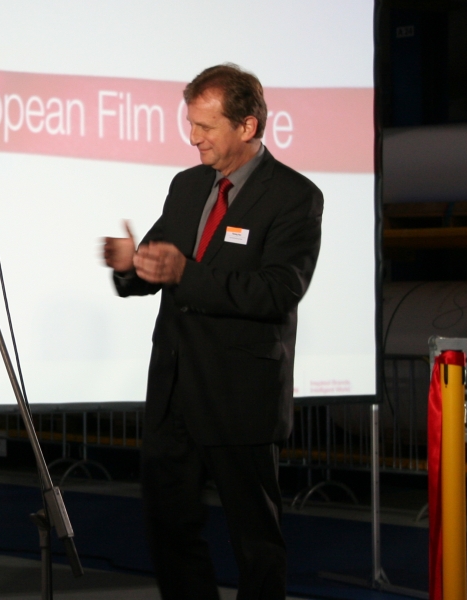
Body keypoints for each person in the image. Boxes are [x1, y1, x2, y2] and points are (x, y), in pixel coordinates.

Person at [102, 64, 323, 600]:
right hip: (174, 394)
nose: (193, 136)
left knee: (256, 545)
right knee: (169, 530)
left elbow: (277, 292)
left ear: (247, 127)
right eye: (190, 123)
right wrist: (130, 265)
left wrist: (185, 274)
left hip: (239, 397)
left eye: (206, 126)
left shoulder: (294, 196)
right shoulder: (187, 185)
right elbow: (158, 265)